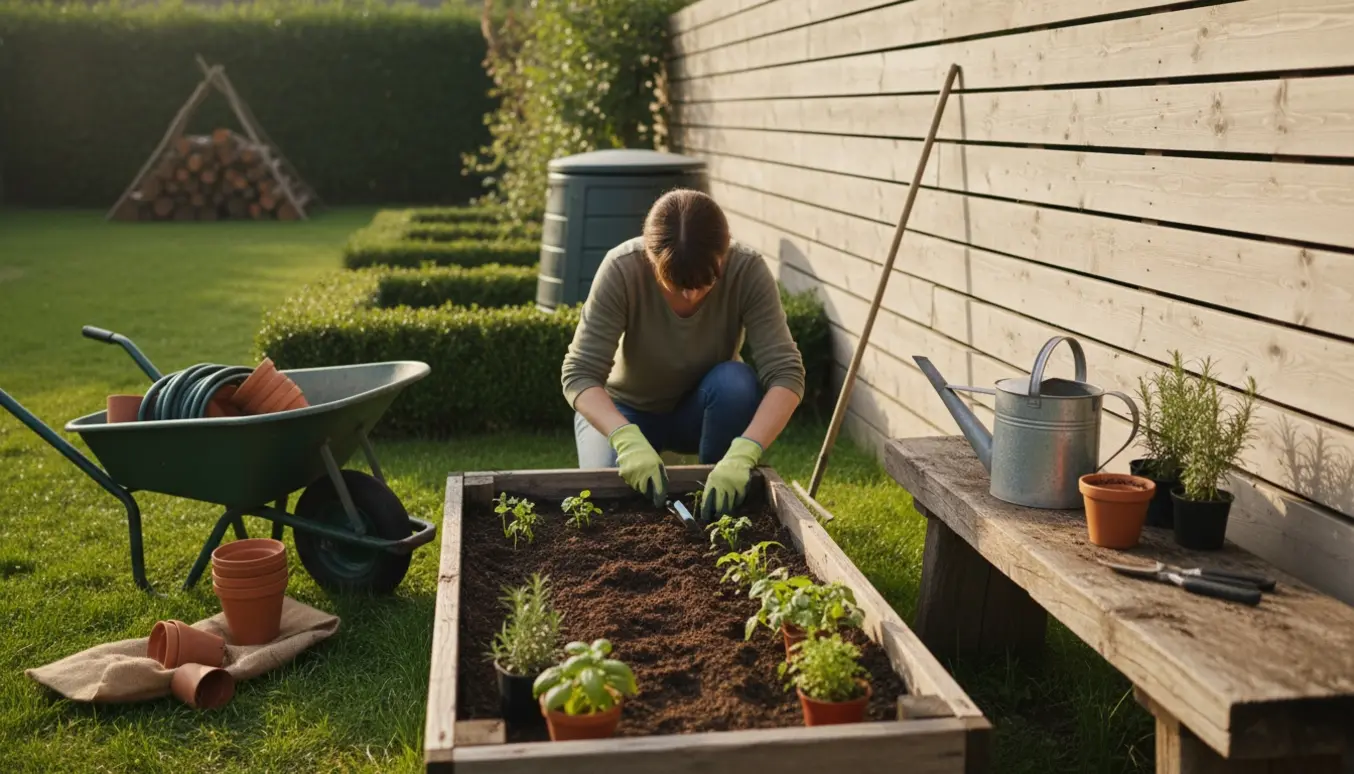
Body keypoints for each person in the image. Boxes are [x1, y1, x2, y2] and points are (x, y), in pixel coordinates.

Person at [561, 188, 805, 522]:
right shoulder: (622, 268)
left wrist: (745, 451)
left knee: (736, 382)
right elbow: (579, 373)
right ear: (650, 256)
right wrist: (624, 437)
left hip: (702, 408)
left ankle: (718, 502)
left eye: (704, 282)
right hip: (627, 410)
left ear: (724, 255)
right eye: (676, 283)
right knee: (609, 503)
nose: (690, 295)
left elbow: (786, 374)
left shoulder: (747, 270)